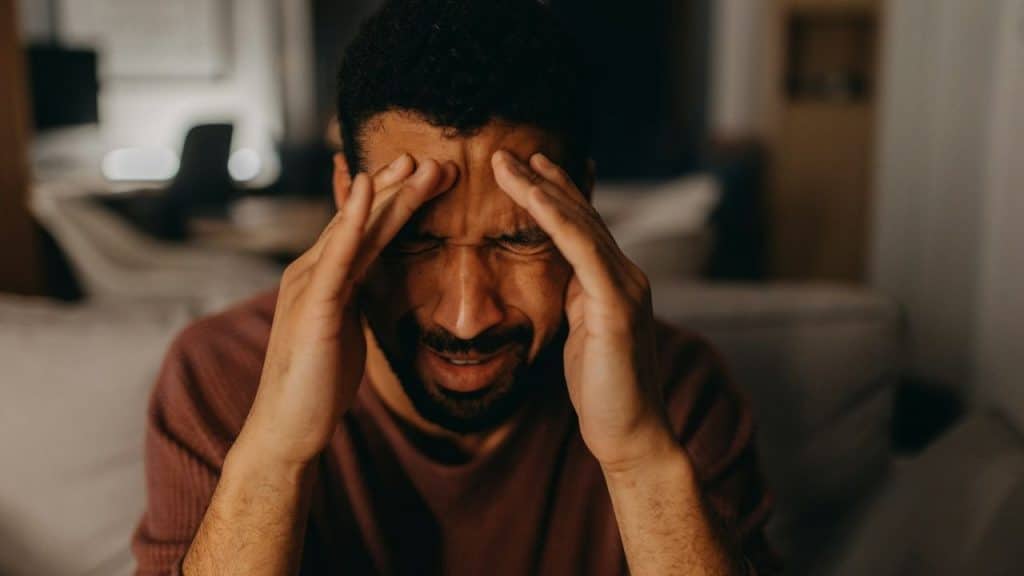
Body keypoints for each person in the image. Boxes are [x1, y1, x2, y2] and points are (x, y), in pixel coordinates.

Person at [132, 1, 776, 574]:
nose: (467, 317)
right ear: (344, 198)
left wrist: (640, 458)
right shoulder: (217, 376)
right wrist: (272, 455)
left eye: (519, 239)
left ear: (579, 201)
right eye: (415, 238)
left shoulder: (680, 390)